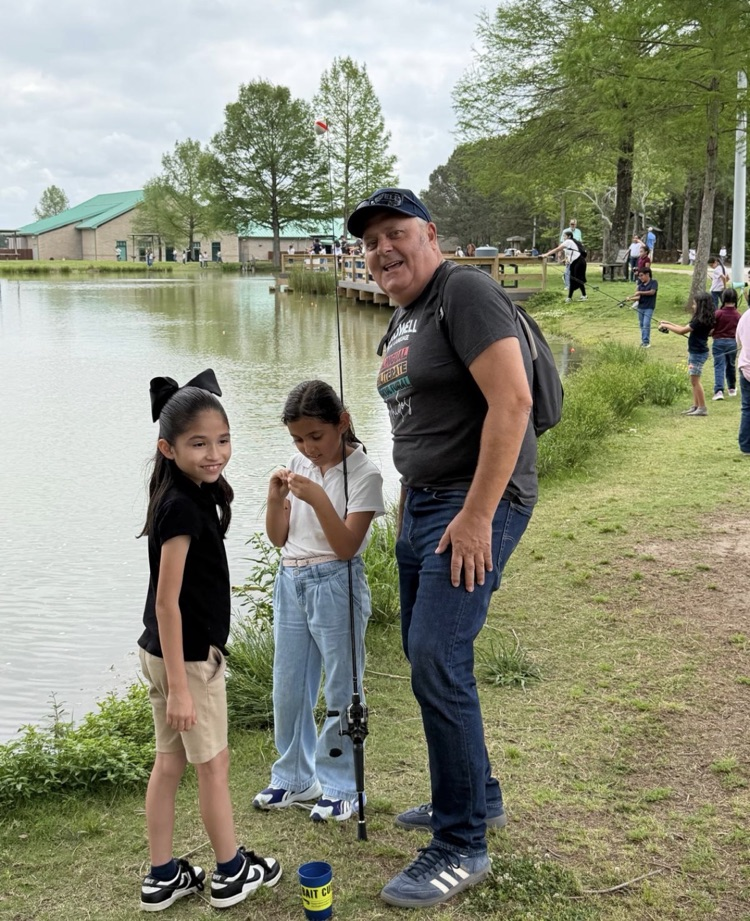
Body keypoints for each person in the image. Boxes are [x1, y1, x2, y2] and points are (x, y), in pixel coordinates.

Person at [347, 188, 536, 909]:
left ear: (431, 234)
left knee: (437, 652)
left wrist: (478, 513)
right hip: (425, 504)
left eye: (396, 234)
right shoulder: (404, 314)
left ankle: (461, 842)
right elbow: (420, 415)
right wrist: (409, 497)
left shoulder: (467, 292)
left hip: (476, 502)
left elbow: (512, 401)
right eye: (370, 243)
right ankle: (476, 794)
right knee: (426, 653)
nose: (382, 250)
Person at [137, 369, 281, 911]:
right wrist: (179, 684)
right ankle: (230, 871)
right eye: (199, 443)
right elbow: (165, 601)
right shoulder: (179, 507)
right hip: (188, 661)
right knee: (214, 765)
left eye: (222, 440)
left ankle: (163, 875)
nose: (215, 453)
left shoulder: (188, 494)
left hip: (164, 653)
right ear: (168, 448)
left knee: (169, 763)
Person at [253, 380, 384, 822]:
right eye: (297, 439)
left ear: (342, 423)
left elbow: (348, 545)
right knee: (288, 685)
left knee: (341, 688)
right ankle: (293, 777)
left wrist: (321, 499)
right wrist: (276, 499)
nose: (307, 449)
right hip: (291, 580)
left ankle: (344, 785)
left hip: (337, 581)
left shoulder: (365, 474)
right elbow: (277, 538)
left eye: (316, 436)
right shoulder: (297, 465)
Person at [658, 292, 715, 416]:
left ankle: (702, 408)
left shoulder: (699, 321)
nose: (693, 306)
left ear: (701, 306)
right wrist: (668, 323)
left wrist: (665, 325)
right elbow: (684, 327)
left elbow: (682, 331)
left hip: (698, 354)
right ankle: (696, 406)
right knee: (693, 381)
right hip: (695, 352)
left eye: (695, 304)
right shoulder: (700, 319)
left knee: (696, 381)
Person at [711, 287, 741, 400]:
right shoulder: (738, 315)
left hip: (718, 342)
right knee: (731, 365)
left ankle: (719, 391)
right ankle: (732, 388)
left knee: (719, 366)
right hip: (732, 343)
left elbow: (711, 328)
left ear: (723, 298)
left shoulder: (718, 313)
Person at [543, 230, 587, 302]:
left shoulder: (568, 241)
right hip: (577, 262)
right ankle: (575, 297)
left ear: (569, 236)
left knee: (577, 279)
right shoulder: (572, 242)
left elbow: (557, 249)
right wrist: (564, 260)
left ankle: (577, 297)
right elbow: (572, 253)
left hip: (579, 261)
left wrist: (546, 254)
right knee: (574, 279)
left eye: (564, 236)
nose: (563, 237)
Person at [624, 266, 658, 347]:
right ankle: (643, 341)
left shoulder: (654, 282)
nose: (640, 277)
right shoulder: (640, 285)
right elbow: (638, 297)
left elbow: (652, 292)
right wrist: (630, 299)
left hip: (649, 307)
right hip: (640, 307)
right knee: (642, 324)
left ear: (647, 274)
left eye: (641, 275)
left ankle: (646, 342)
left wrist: (640, 292)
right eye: (639, 276)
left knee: (646, 324)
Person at [736, 298, 750, 453]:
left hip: (746, 367)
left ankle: (746, 445)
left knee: (747, 408)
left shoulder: (745, 316)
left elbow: (738, 341)